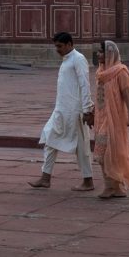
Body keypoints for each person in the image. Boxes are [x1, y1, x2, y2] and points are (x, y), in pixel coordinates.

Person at [29, 32, 95, 191]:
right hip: (61, 109)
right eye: (56, 46)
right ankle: (45, 177)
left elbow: (85, 84)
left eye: (59, 46)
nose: (57, 50)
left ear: (69, 44)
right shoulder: (67, 60)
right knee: (50, 138)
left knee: (81, 147)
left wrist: (87, 109)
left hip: (75, 111)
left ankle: (88, 181)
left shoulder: (78, 59)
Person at [93, 40, 129, 198]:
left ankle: (111, 186)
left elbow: (128, 97)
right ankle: (117, 187)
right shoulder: (102, 71)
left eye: (101, 51)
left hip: (114, 118)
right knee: (107, 153)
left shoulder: (121, 72)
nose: (98, 54)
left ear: (110, 53)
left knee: (105, 153)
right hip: (101, 117)